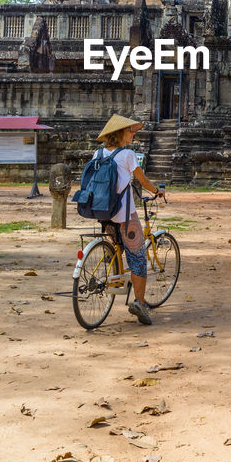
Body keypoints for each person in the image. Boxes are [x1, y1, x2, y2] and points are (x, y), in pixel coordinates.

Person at [92, 114, 165, 325]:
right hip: (124, 215)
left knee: (119, 249)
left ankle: (113, 271)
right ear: (121, 133)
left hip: (102, 213)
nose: (133, 134)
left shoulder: (97, 153)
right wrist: (157, 191)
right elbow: (142, 179)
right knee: (138, 258)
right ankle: (139, 303)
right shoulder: (128, 155)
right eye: (131, 131)